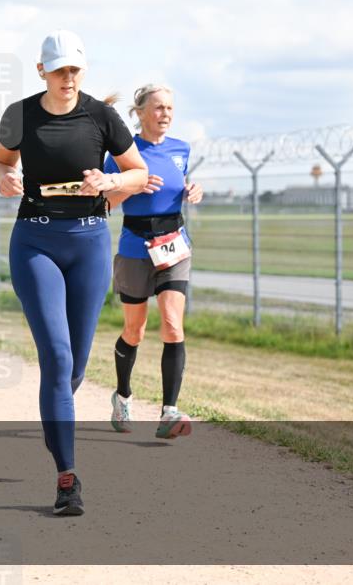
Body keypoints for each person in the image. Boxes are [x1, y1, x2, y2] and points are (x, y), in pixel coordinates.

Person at [0, 30, 148, 515]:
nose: (67, 77)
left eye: (74, 69)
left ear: (83, 70)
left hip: (89, 244)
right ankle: (67, 479)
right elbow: (0, 163)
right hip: (35, 241)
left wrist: (111, 180)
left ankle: (55, 409)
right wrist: (5, 179)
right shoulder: (20, 114)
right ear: (42, 71)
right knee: (57, 359)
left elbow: (138, 172)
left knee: (75, 367)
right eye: (58, 69)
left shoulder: (102, 117)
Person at [104, 84, 203, 440]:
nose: (165, 114)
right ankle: (123, 395)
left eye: (170, 109)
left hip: (174, 245)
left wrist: (194, 190)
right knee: (135, 330)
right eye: (159, 108)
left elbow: (178, 185)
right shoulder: (124, 153)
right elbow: (104, 204)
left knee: (173, 325)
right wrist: (130, 186)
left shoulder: (181, 149)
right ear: (141, 112)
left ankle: (169, 410)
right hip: (135, 247)